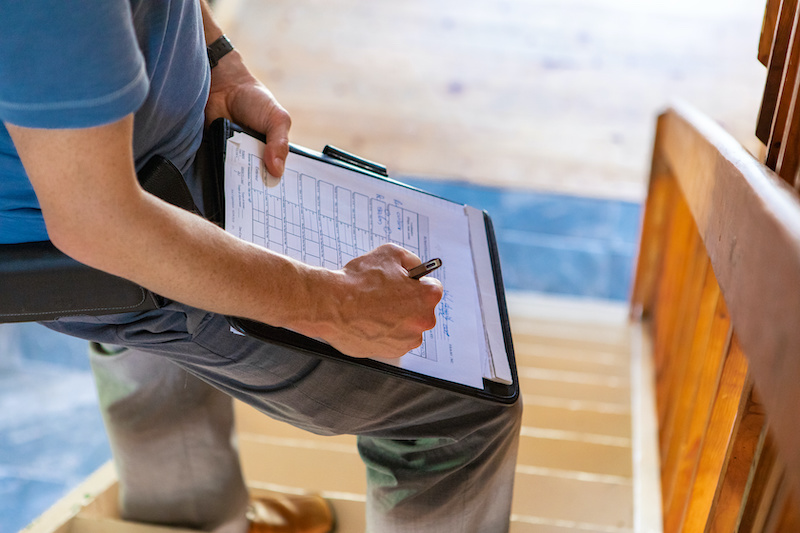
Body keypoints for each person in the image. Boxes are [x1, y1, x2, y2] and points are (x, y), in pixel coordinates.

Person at [0, 2, 522, 532]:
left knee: (157, 343)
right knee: (459, 413)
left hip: (165, 166)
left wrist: (219, 61)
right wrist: (334, 304)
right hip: (114, 236)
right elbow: (98, 222)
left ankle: (196, 524)